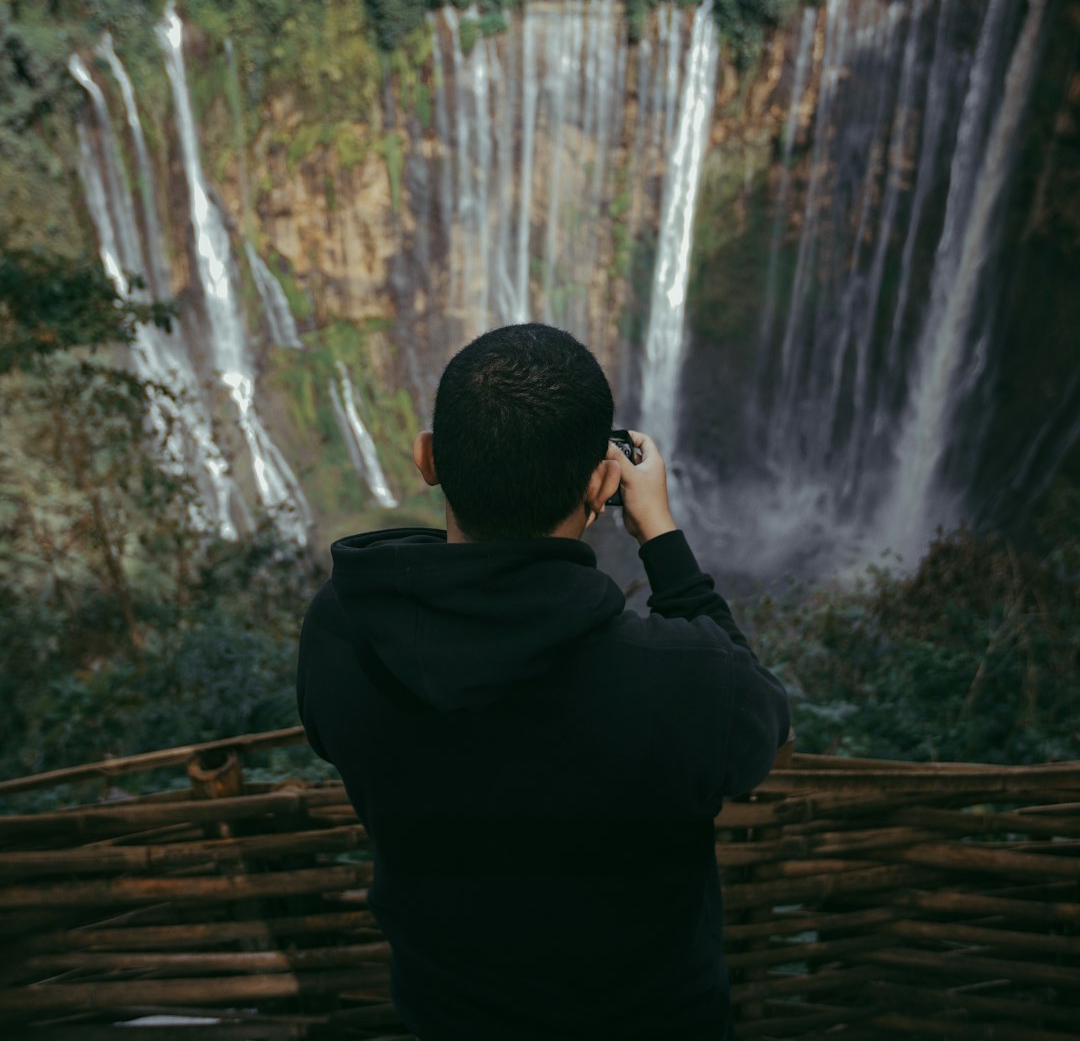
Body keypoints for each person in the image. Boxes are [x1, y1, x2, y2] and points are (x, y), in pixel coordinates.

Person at [297, 323, 790, 1041]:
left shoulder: (341, 632)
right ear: (601, 483)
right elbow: (761, 725)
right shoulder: (682, 677)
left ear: (427, 460)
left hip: (447, 1017)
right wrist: (658, 533)